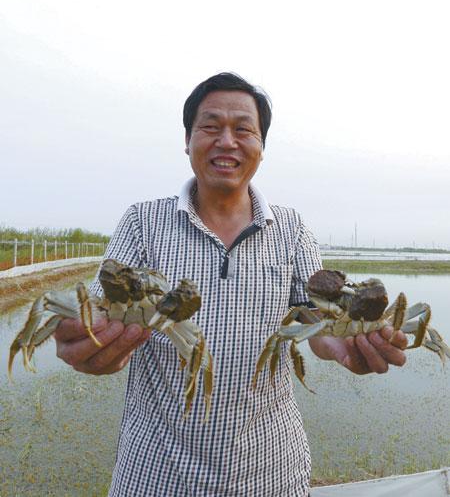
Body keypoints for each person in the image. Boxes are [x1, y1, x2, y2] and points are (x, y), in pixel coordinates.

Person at [55, 73, 407, 496]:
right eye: (210, 127)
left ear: (261, 147)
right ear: (187, 141)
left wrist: (335, 344)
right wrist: (94, 346)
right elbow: (97, 313)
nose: (227, 141)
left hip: (271, 470)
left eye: (244, 129)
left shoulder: (291, 230)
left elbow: (314, 319)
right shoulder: (141, 223)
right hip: (155, 472)